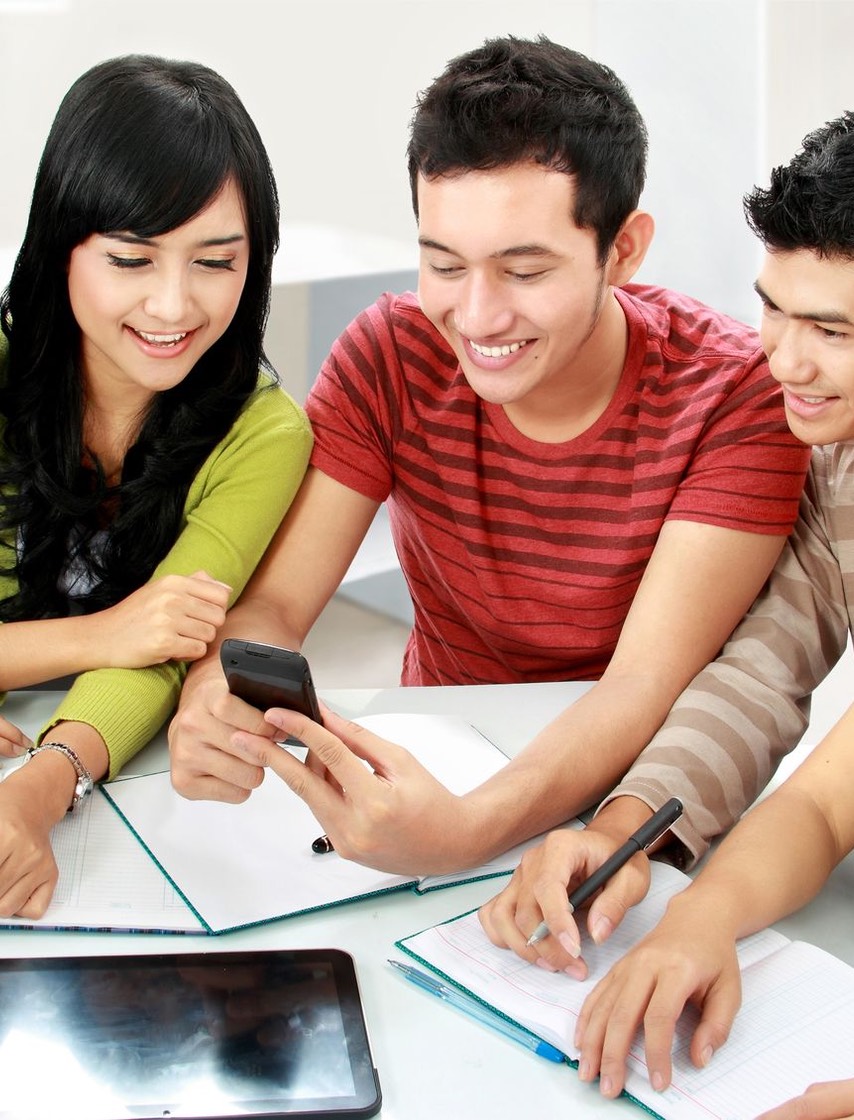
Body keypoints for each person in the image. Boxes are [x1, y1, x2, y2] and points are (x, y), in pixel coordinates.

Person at [168, 35, 808, 878]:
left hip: (638, 795)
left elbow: (640, 687)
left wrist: (470, 831)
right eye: (444, 264)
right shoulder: (391, 355)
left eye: (524, 270)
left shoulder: (734, 395)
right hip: (434, 766)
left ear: (623, 248)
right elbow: (278, 607)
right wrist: (218, 693)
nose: (477, 317)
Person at [483, 111, 854, 1117]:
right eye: (773, 310)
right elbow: (765, 687)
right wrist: (634, 844)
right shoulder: (833, 459)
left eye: (832, 331)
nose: (782, 359)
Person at [0, 55, 313, 918]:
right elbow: (137, 634)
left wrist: (40, 786)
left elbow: (169, 646)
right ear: (62, 245)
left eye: (215, 262)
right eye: (132, 260)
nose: (174, 306)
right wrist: (106, 631)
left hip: (102, 771)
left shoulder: (265, 432)